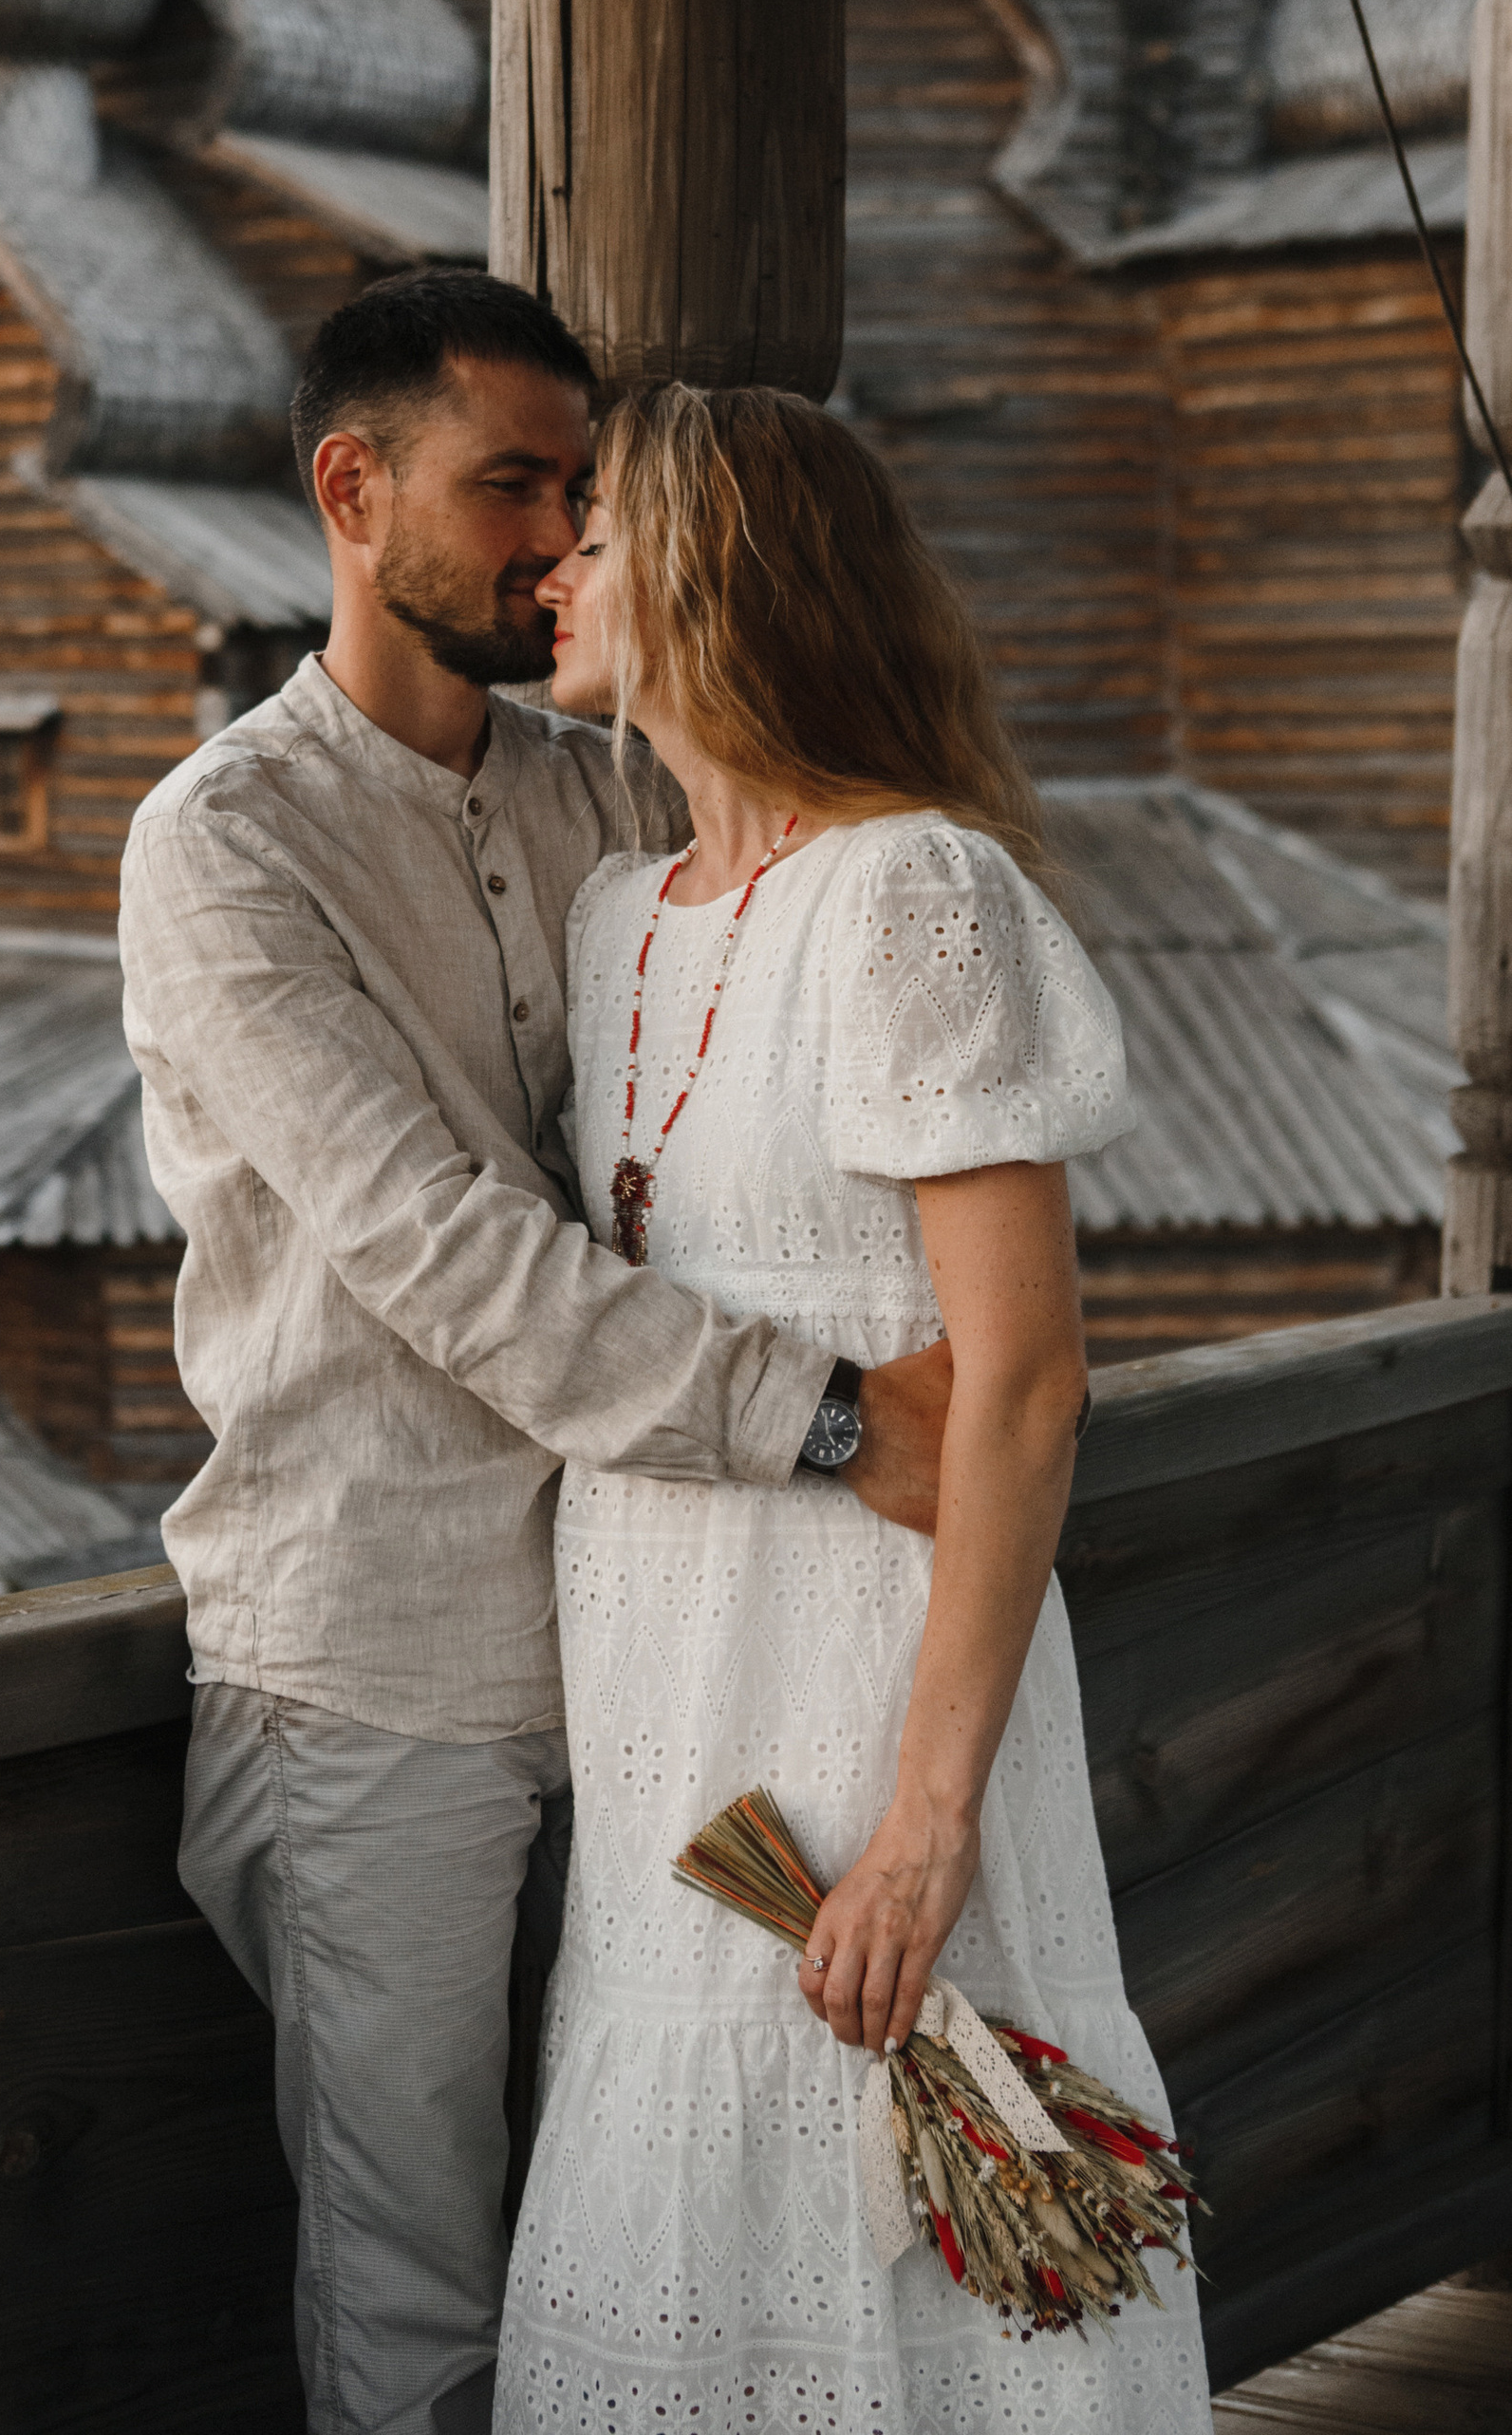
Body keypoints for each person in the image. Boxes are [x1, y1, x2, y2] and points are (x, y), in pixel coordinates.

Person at [118, 274, 957, 2435]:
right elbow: (435, 1244)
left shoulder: (608, 803)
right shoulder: (223, 843)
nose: (559, 541)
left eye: (579, 495)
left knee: (650, 2223)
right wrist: (835, 1412)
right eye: (509, 487)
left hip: (659, 1636)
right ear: (348, 487)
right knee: (419, 2305)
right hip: (370, 1661)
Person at [494, 384, 1212, 2435]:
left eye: (602, 527)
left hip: (869, 1692)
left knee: (903, 2185)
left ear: (713, 574)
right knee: (683, 2190)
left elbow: (1021, 1378)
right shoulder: (614, 922)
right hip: (659, 1687)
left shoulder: (910, 894)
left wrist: (924, 1826)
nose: (555, 562)